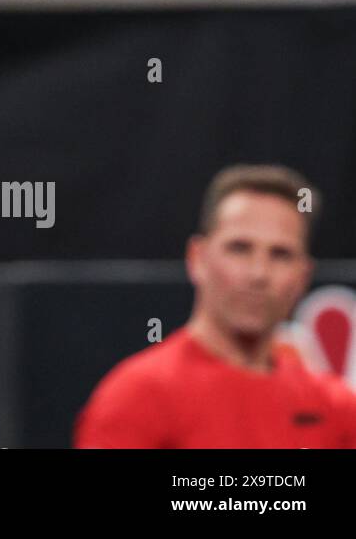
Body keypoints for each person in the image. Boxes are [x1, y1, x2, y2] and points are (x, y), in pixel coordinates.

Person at [75, 165, 356, 448]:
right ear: (197, 258)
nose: (259, 273)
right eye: (239, 248)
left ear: (303, 276)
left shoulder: (335, 409)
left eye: (280, 254)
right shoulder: (137, 398)